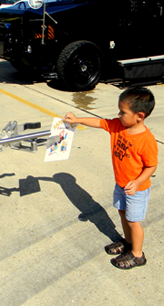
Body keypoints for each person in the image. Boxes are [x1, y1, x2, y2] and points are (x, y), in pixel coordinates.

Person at [64, 87, 158, 270]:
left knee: (133, 221)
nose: (119, 114)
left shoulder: (146, 140)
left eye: (123, 112)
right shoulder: (117, 125)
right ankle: (128, 242)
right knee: (122, 213)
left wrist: (137, 182)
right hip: (121, 184)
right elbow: (99, 122)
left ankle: (138, 255)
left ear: (139, 116)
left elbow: (151, 166)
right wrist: (77, 120)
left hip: (137, 189)